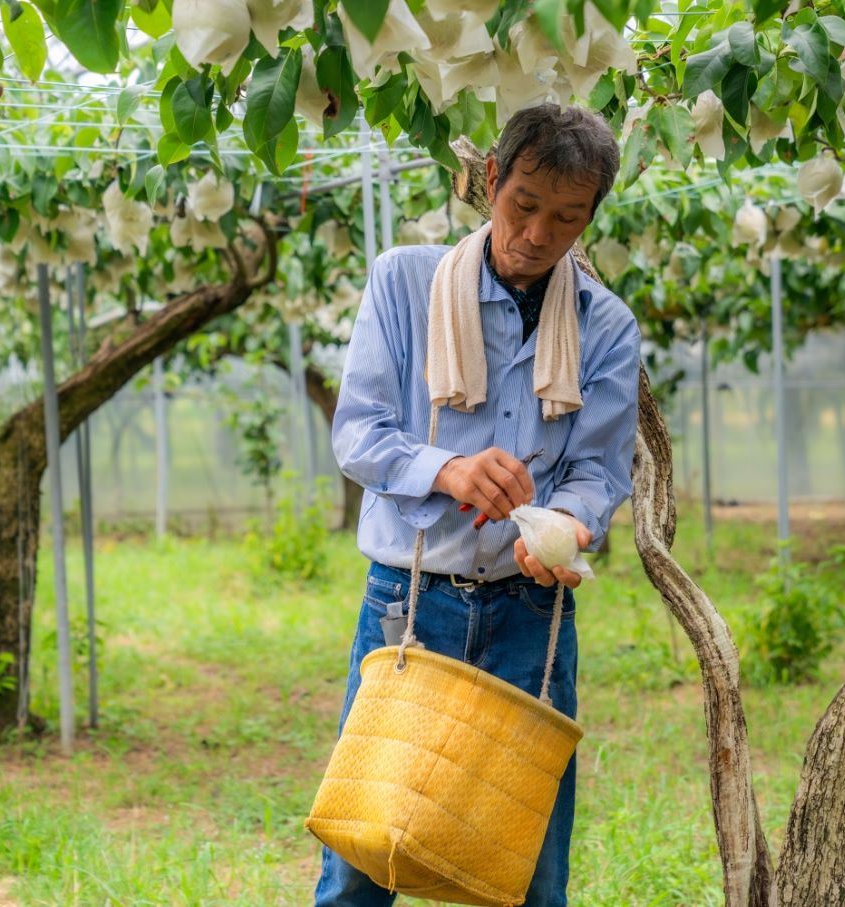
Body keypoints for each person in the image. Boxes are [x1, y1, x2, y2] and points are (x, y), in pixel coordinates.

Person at [316, 104, 641, 907]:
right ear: (492, 180)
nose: (537, 234)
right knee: (365, 848)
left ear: (591, 216)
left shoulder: (605, 327)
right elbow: (358, 432)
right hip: (410, 603)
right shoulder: (404, 283)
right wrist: (448, 469)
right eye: (523, 205)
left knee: (526, 861)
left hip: (533, 613)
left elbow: (599, 471)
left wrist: (567, 523)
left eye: (567, 219)